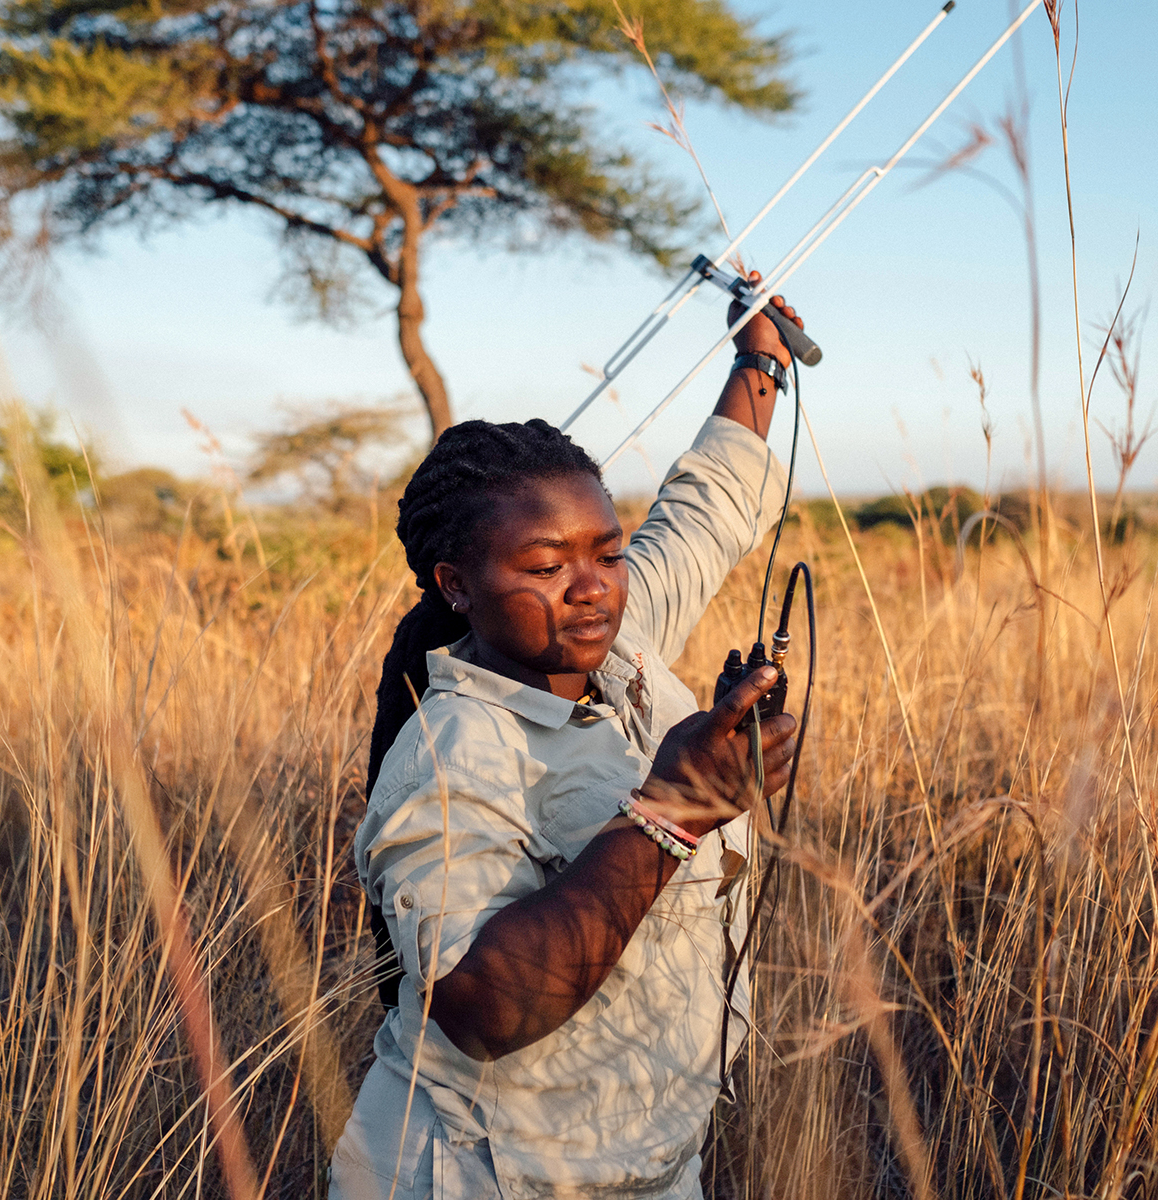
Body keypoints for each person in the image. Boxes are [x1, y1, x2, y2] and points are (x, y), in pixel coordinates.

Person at [332, 279, 805, 1198]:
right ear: (456, 584)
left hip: (646, 1170)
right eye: (546, 565)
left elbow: (706, 509)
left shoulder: (615, 640)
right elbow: (485, 1008)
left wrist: (760, 360)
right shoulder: (451, 754)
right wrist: (676, 811)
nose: (591, 585)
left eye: (608, 551)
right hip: (477, 1177)